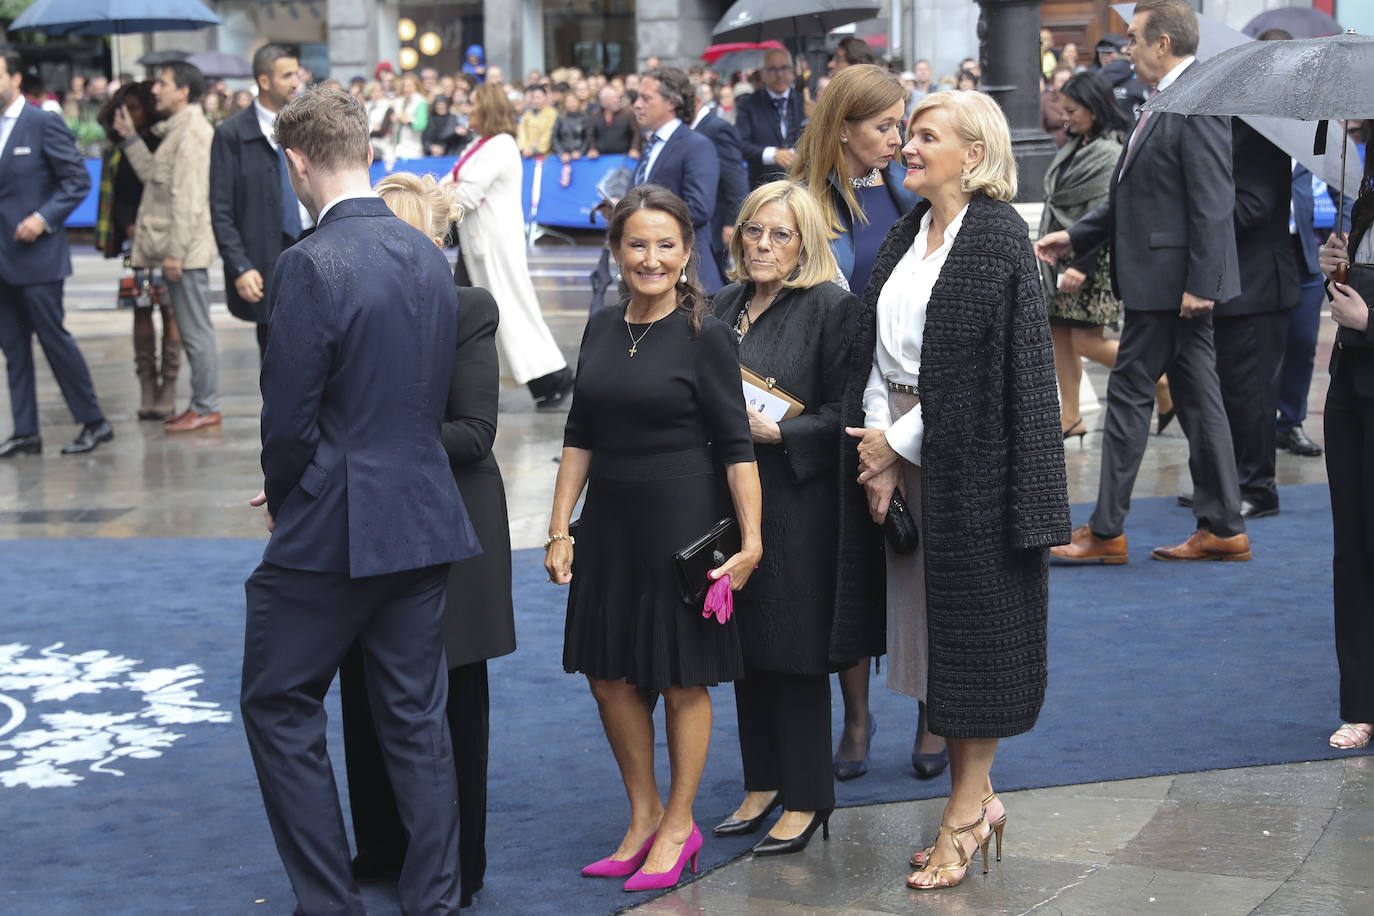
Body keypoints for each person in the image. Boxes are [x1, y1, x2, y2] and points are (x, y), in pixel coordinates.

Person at [240, 86, 480, 916]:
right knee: (415, 719)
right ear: (366, 152)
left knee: (277, 701)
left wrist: (284, 498)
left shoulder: (308, 264)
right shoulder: (425, 252)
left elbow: (288, 420)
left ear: (296, 162)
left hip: (337, 522)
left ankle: (327, 903)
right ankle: (436, 900)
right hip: (420, 515)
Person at [842, 89, 1070, 891]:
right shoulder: (910, 231)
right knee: (937, 644)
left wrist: (895, 444)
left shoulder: (1001, 237)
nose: (907, 145)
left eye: (926, 136)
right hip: (900, 450)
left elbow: (982, 381)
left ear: (973, 155)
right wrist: (879, 443)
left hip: (978, 475)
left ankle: (965, 813)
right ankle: (980, 801)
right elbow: (876, 343)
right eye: (909, 132)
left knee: (977, 647)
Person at [546, 184, 762, 892]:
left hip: (682, 525)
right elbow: (580, 431)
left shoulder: (706, 335)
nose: (651, 258)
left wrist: (751, 541)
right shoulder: (603, 325)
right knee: (609, 675)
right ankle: (641, 818)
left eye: (666, 244)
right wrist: (559, 529)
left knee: (678, 677)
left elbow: (736, 446)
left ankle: (680, 823)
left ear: (688, 252)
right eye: (637, 244)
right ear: (615, 251)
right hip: (608, 524)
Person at [339, 172, 514, 907]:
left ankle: (457, 865)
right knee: (363, 691)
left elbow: (472, 435)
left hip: (451, 527)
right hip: (363, 519)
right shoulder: (343, 304)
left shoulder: (468, 308)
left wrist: (360, 446)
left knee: (452, 703)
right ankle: (381, 846)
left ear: (439, 242)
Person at [1036, 0, 1248, 564]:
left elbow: (1211, 201)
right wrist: (1076, 237)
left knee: (1129, 393)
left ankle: (1106, 533)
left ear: (1163, 44)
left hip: (1171, 286)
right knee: (1201, 402)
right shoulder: (1161, 102)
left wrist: (1201, 283)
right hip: (1167, 284)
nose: (1123, 48)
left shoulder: (1194, 102)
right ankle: (1224, 527)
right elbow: (1130, 197)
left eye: (1132, 38)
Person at [710, 181, 856, 854]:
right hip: (729, 502)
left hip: (798, 504)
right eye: (753, 232)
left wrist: (784, 438)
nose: (763, 245)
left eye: (780, 235)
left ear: (806, 244)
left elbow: (849, 417)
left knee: (793, 652)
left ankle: (807, 797)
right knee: (743, 646)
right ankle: (762, 782)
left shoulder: (830, 306)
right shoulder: (725, 303)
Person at [1036, 71, 1164, 441]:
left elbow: (1107, 212)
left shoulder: (1109, 150)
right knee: (1060, 336)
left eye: (1072, 110)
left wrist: (1080, 263)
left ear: (1094, 108)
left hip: (1089, 259)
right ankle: (1070, 416)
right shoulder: (1079, 143)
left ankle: (1164, 380)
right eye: (1063, 109)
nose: (1065, 117)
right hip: (1059, 256)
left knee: (1086, 341)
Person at [0, 49, 110, 458]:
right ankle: (26, 431)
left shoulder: (42, 123)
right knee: (13, 348)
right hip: (2, 260)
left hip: (38, 258)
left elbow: (77, 181)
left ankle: (94, 421)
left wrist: (42, 219)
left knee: (54, 341)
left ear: (13, 78)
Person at [445, 83, 574, 407]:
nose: (467, 109)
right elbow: (455, 183)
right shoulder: (480, 144)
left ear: (487, 108)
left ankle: (551, 377)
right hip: (476, 243)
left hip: (493, 245)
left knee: (508, 311)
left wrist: (430, 195)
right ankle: (539, 379)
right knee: (476, 311)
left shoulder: (499, 146)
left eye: (473, 103)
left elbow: (467, 194)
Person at [115, 60, 221, 433]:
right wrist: (130, 138)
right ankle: (200, 404)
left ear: (184, 92)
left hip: (185, 253)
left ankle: (206, 405)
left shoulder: (192, 132)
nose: (155, 90)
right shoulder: (176, 132)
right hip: (178, 251)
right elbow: (155, 179)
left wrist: (175, 251)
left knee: (195, 331)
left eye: (162, 83)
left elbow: (190, 200)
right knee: (192, 330)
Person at [1207, 119, 1300, 519]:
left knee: (1253, 398)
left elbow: (1253, 207)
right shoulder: (1227, 127)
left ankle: (1258, 489)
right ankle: (1228, 484)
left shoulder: (1262, 130)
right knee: (1229, 395)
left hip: (1258, 288)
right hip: (1232, 287)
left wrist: (1197, 204)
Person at [1316, 139, 1374, 754]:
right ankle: (1359, 702)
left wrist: (1369, 320)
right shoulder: (1363, 192)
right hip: (1350, 388)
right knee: (1351, 547)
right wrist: (1339, 263)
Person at [210, 44, 310, 362]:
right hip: (265, 260)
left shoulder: (309, 126)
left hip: (313, 249)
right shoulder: (232, 134)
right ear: (264, 81)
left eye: (297, 73)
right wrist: (240, 265)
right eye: (287, 75)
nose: (296, 82)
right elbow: (221, 207)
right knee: (276, 360)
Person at [792, 64, 920, 297]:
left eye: (898, 125)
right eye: (883, 128)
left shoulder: (912, 186)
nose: (897, 140)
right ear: (843, 129)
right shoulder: (800, 201)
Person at [96, 80, 180, 421]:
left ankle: (169, 386)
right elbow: (118, 196)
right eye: (124, 108)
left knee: (171, 310)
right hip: (135, 240)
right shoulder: (117, 149)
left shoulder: (159, 142)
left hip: (164, 237)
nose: (129, 114)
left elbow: (161, 188)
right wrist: (129, 227)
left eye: (135, 107)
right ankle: (147, 384)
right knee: (140, 307)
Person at [631, 67, 723, 294]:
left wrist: (642, 216)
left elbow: (699, 208)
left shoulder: (696, 145)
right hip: (654, 275)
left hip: (689, 277)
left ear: (671, 103)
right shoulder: (652, 145)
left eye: (646, 98)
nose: (637, 104)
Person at [1278, 163, 1348, 457]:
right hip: (1260, 252)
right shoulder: (1257, 135)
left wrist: (1341, 231)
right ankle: (1251, 430)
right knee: (1256, 348)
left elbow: (1344, 190)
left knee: (1304, 343)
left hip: (1304, 254)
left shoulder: (1311, 144)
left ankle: (1291, 424)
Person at [691, 82, 748, 284]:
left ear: (697, 102)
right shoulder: (695, 127)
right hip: (703, 227)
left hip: (718, 225)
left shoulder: (717, 128)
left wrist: (732, 222)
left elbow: (735, 179)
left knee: (719, 286)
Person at [736, 49, 806, 189]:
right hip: (764, 185)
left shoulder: (804, 102)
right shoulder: (748, 104)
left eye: (783, 68)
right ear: (762, 74)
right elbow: (741, 145)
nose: (779, 75)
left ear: (792, 71)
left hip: (801, 184)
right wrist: (772, 154)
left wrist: (813, 118)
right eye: (773, 69)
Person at [587, 86, 642, 160]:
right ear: (603, 102)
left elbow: (636, 132)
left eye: (617, 98)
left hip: (624, 158)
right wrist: (592, 148)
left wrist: (635, 148)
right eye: (613, 98)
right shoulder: (596, 115)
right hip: (601, 159)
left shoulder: (628, 113)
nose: (617, 100)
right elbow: (591, 134)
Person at [391, 72, 428, 158]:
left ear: (416, 86)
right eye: (404, 86)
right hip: (398, 145)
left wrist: (407, 120)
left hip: (413, 146)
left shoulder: (420, 101)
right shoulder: (399, 101)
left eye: (409, 86)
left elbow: (421, 125)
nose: (406, 88)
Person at [516, 83, 556, 157]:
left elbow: (549, 133)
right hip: (526, 152)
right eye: (533, 98)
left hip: (544, 154)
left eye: (539, 97)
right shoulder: (527, 114)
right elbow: (521, 131)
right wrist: (523, 147)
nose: (536, 100)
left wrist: (534, 149)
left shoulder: (552, 114)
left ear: (545, 97)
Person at [1039, 65, 1071, 148]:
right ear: (1053, 83)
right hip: (1055, 148)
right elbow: (1041, 129)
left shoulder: (1078, 99)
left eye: (1068, 81)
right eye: (1061, 81)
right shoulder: (1045, 100)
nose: (1065, 84)